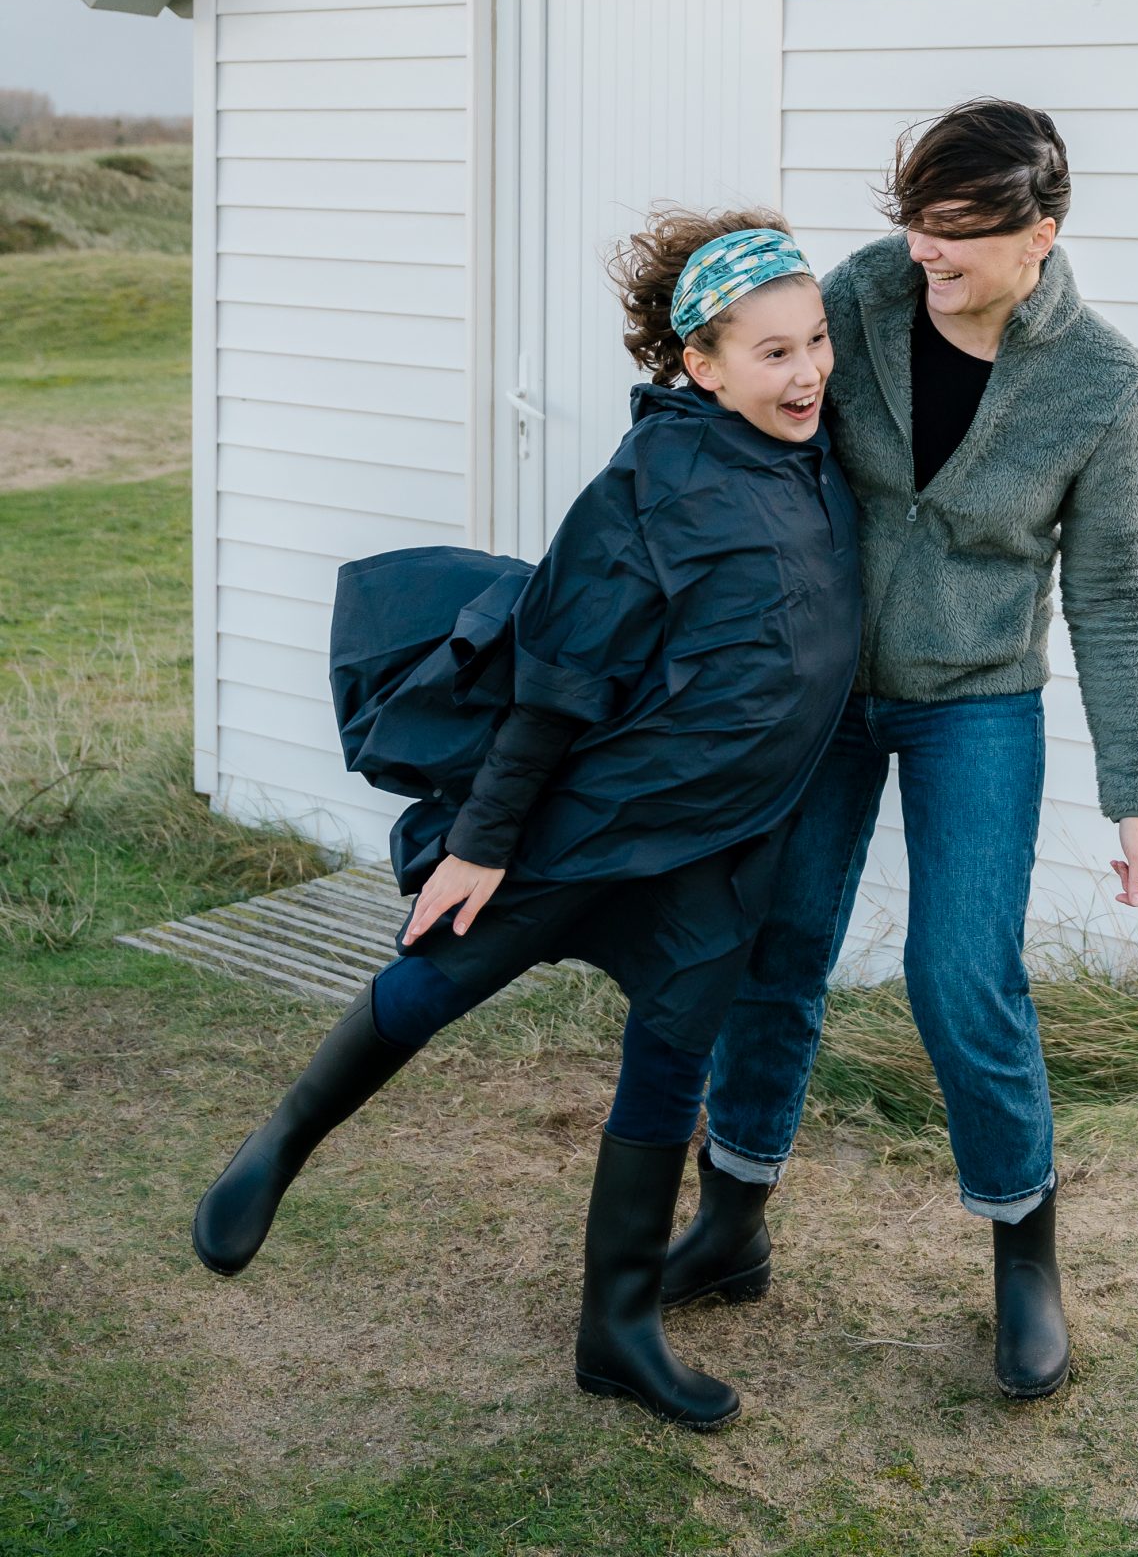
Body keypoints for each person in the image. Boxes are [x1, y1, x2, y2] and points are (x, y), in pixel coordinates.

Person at [191, 213, 861, 1432]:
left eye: (814, 341)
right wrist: (483, 839)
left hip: (715, 850)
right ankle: (279, 1143)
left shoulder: (821, 455)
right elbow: (553, 681)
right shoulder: (643, 490)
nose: (807, 369)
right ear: (697, 364)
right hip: (586, 822)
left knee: (669, 1059)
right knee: (442, 970)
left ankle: (615, 1331)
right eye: (771, 353)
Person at [663, 101, 1138, 1401]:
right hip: (825, 691)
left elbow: (1110, 592)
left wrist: (1137, 797)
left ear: (1037, 235)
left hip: (974, 706)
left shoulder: (1101, 385)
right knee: (776, 943)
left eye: (954, 235)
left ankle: (1021, 1251)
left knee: (961, 976)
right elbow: (768, 428)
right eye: (914, 225)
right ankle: (728, 1223)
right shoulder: (863, 296)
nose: (922, 254)